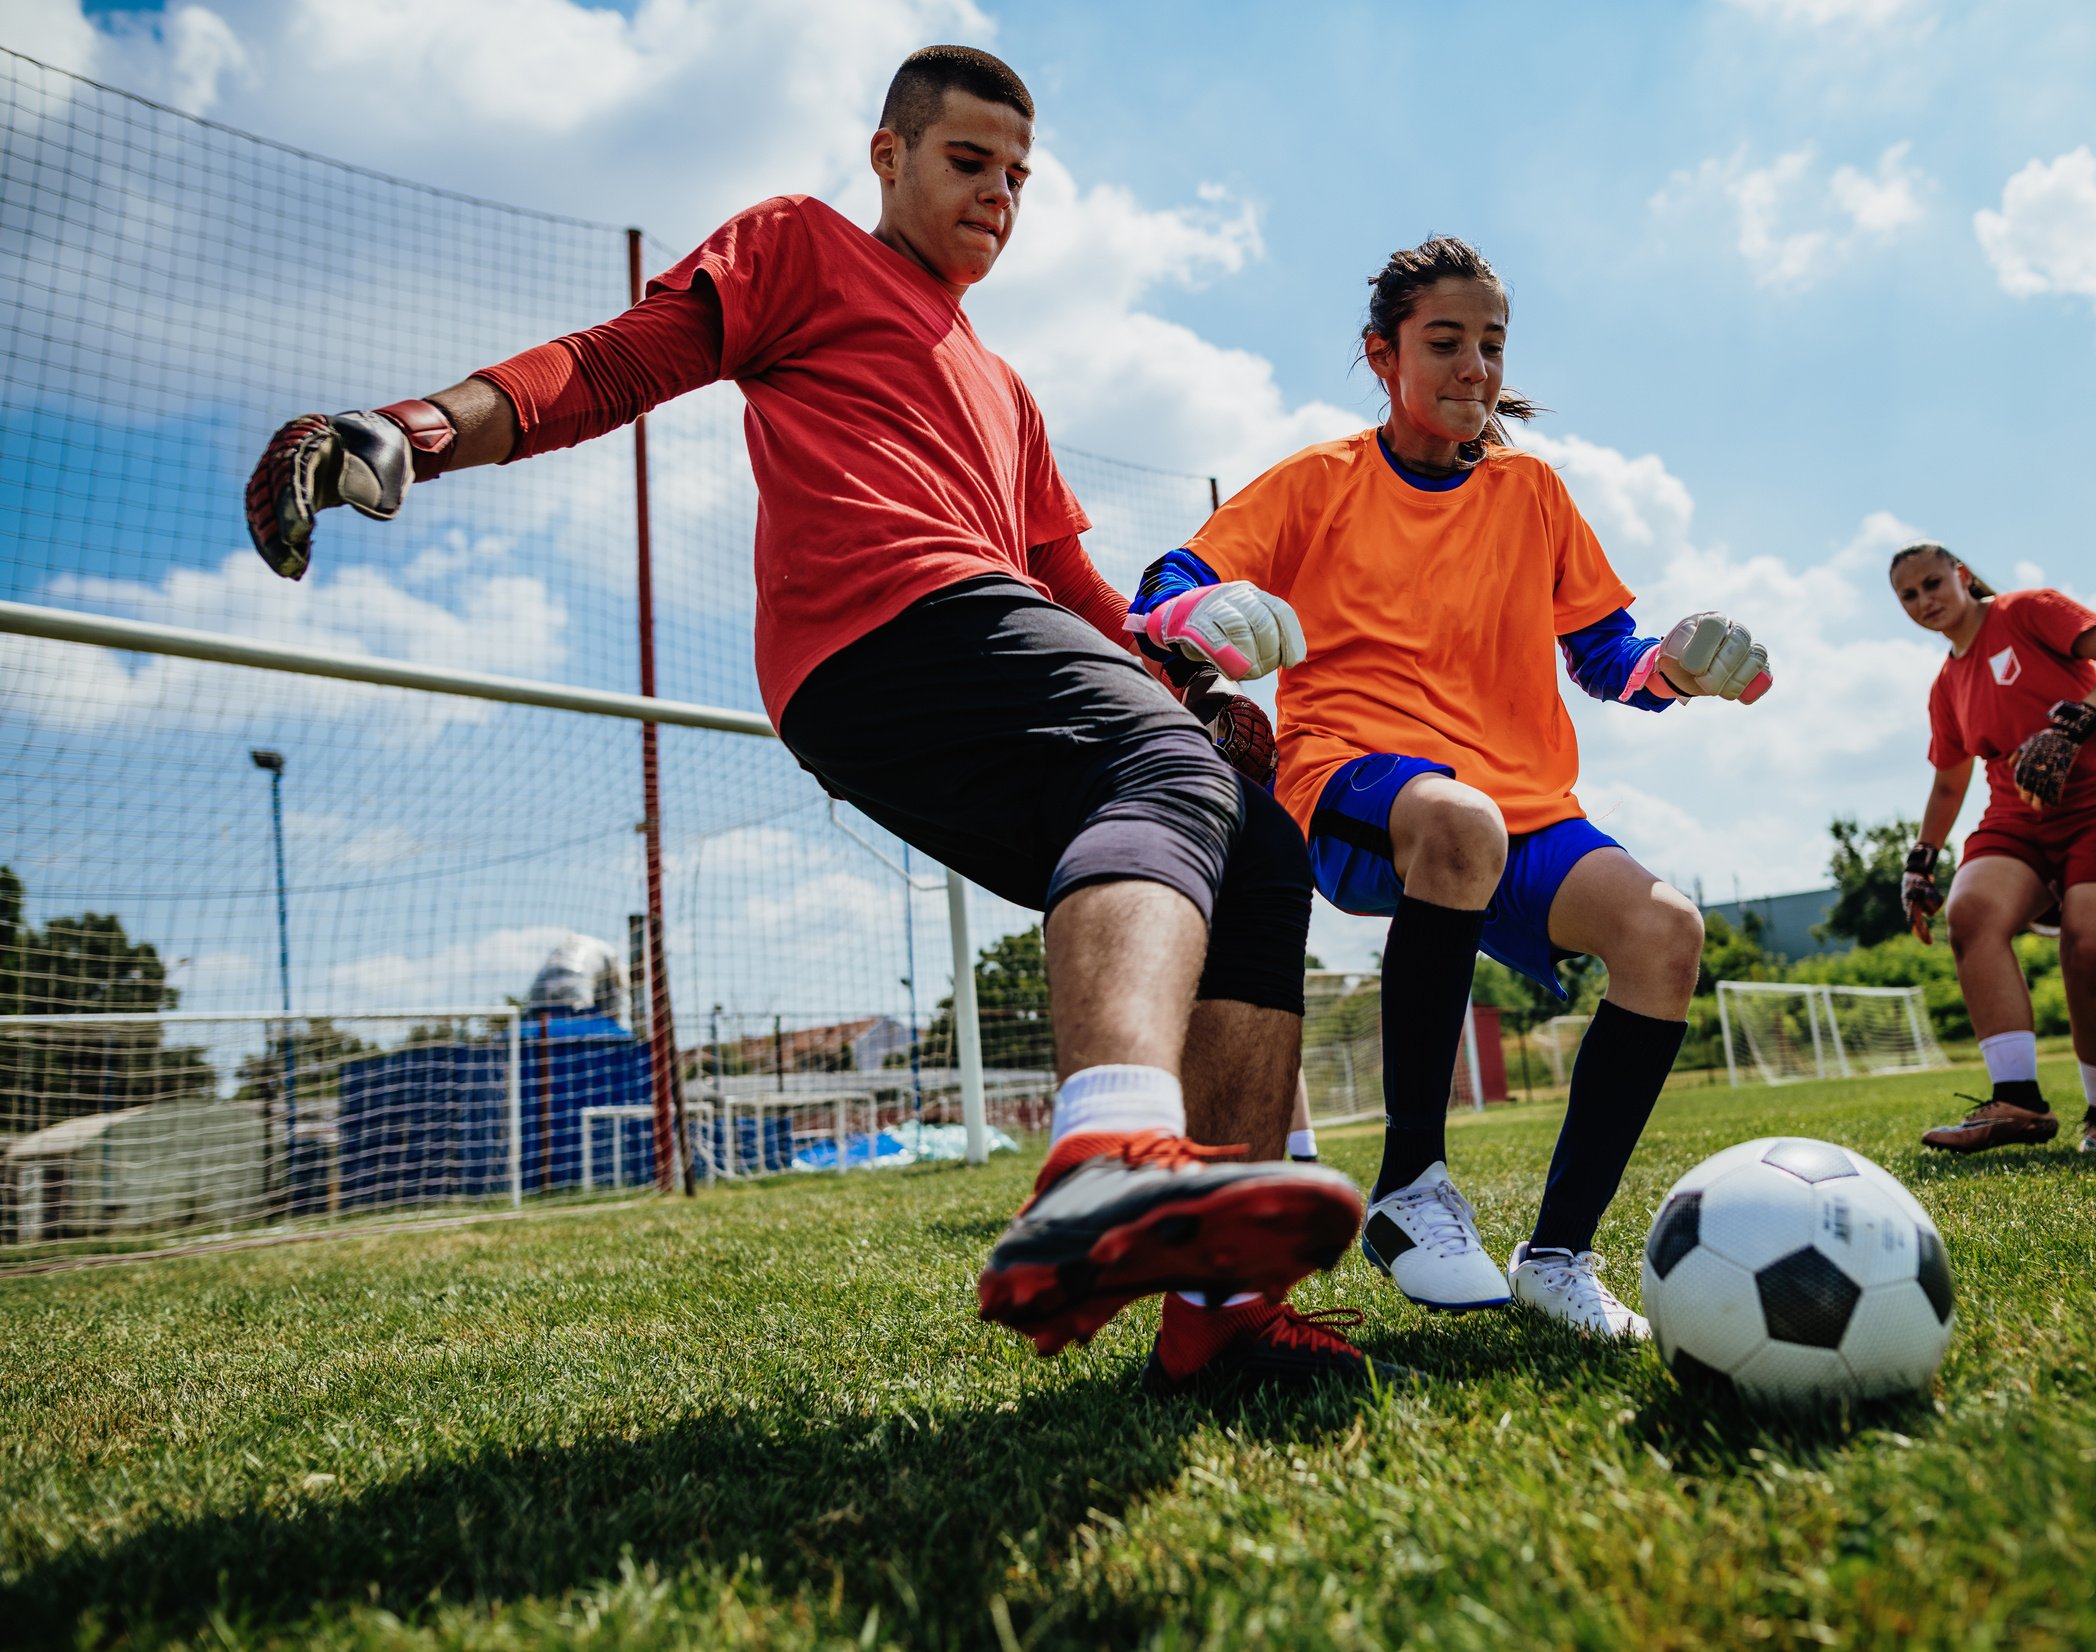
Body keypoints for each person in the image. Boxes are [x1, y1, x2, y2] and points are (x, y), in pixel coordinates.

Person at [241, 46, 1386, 1391]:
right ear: (887, 156)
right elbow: (616, 363)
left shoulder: (1003, 385)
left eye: (1019, 178)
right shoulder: (801, 246)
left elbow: (1065, 580)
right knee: (1167, 769)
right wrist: (413, 428)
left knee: (1256, 852)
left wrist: (1179, 673)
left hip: (979, 629)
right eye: (969, 163)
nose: (998, 198)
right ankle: (1109, 1152)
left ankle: (1223, 1319)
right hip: (875, 629)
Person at [1127, 237, 1771, 1340]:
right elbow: (1172, 580)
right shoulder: (1318, 481)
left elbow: (1604, 654)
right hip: (1353, 777)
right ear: (1382, 355)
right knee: (1458, 822)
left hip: (1520, 803)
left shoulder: (1531, 492)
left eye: (1490, 344)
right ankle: (1410, 1185)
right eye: (1443, 342)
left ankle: (1557, 1254)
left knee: (1665, 931)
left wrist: (1675, 666)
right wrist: (1189, 620)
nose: (1472, 366)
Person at [1888, 542, 2096, 1153]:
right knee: (1971, 914)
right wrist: (1921, 861)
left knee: (2088, 947)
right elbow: (1948, 780)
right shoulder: (1945, 685)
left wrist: (2071, 725)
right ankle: (2017, 1102)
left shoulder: (2028, 610)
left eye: (1933, 583)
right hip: (2018, 818)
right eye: (1908, 596)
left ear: (1962, 577)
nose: (1924, 601)